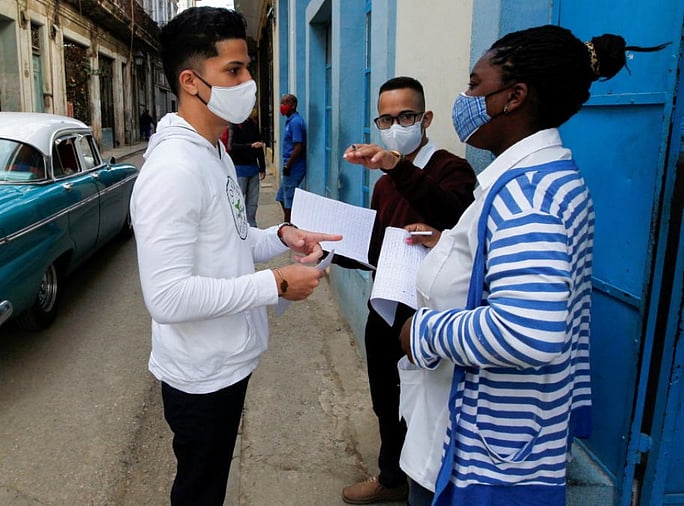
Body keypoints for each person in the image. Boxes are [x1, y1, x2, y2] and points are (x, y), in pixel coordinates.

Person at [398, 26, 668, 506]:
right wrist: (456, 248)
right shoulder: (545, 178)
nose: (466, 97)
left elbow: (528, 331)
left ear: (514, 97)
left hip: (484, 454)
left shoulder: (525, 197)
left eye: (476, 85)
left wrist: (420, 333)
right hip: (514, 437)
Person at [129, 7, 342, 506]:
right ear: (191, 80)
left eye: (247, 67)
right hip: (201, 377)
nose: (248, 80)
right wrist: (278, 285)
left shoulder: (213, 150)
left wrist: (282, 235)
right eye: (234, 70)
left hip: (228, 361)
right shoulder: (173, 169)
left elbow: (231, 237)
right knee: (200, 491)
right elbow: (167, 296)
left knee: (212, 483)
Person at [338, 77, 477, 505]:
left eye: (406, 116)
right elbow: (376, 247)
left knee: (428, 402)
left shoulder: (452, 169)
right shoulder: (383, 185)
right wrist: (330, 248)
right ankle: (391, 476)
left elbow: (450, 212)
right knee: (385, 396)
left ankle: (428, 484)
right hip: (386, 307)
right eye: (387, 118)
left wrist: (397, 167)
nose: (395, 125)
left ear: (425, 118)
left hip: (432, 315)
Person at [229, 109, 266, 227]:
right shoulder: (234, 126)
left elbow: (259, 146)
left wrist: (262, 167)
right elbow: (232, 146)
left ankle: (251, 224)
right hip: (240, 168)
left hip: (253, 168)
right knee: (239, 200)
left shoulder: (253, 125)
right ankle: (239, 224)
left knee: (253, 200)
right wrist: (250, 146)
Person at [276, 93, 306, 222]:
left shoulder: (295, 122)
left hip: (293, 168)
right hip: (288, 166)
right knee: (281, 197)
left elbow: (299, 146)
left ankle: (289, 225)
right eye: (281, 103)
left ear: (293, 106)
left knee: (289, 200)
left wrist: (288, 165)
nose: (282, 106)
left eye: (285, 104)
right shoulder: (290, 122)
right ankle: (289, 221)